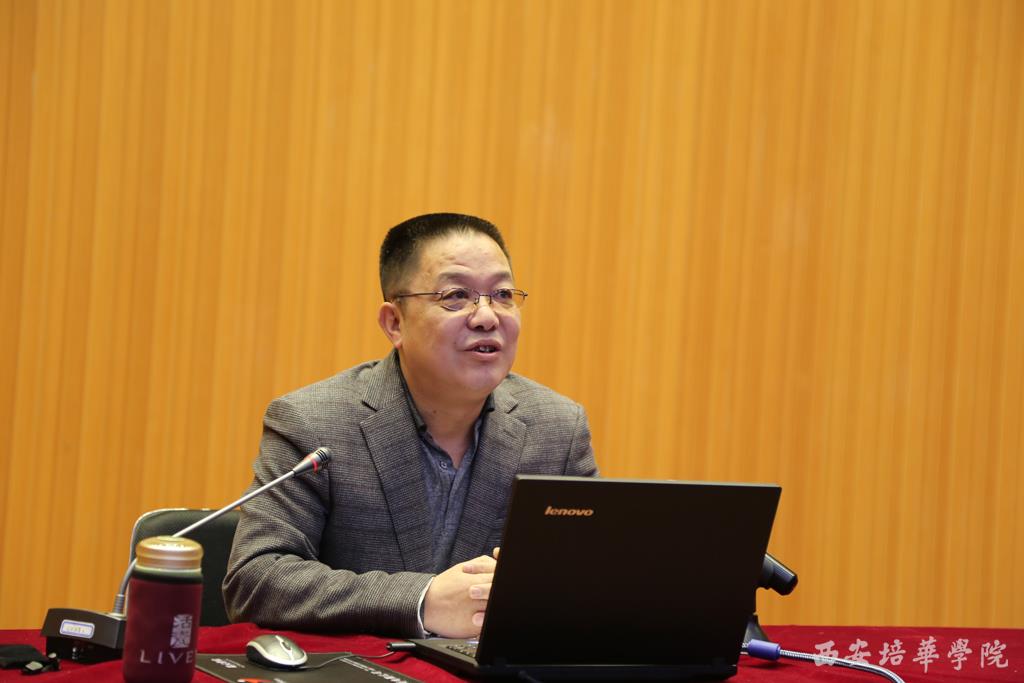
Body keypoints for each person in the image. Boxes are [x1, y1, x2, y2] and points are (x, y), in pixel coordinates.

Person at [223, 213, 598, 638]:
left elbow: (592, 581)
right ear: (394, 323)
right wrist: (422, 600)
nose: (487, 317)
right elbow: (255, 579)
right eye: (456, 295)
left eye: (502, 295)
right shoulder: (313, 421)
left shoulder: (557, 429)